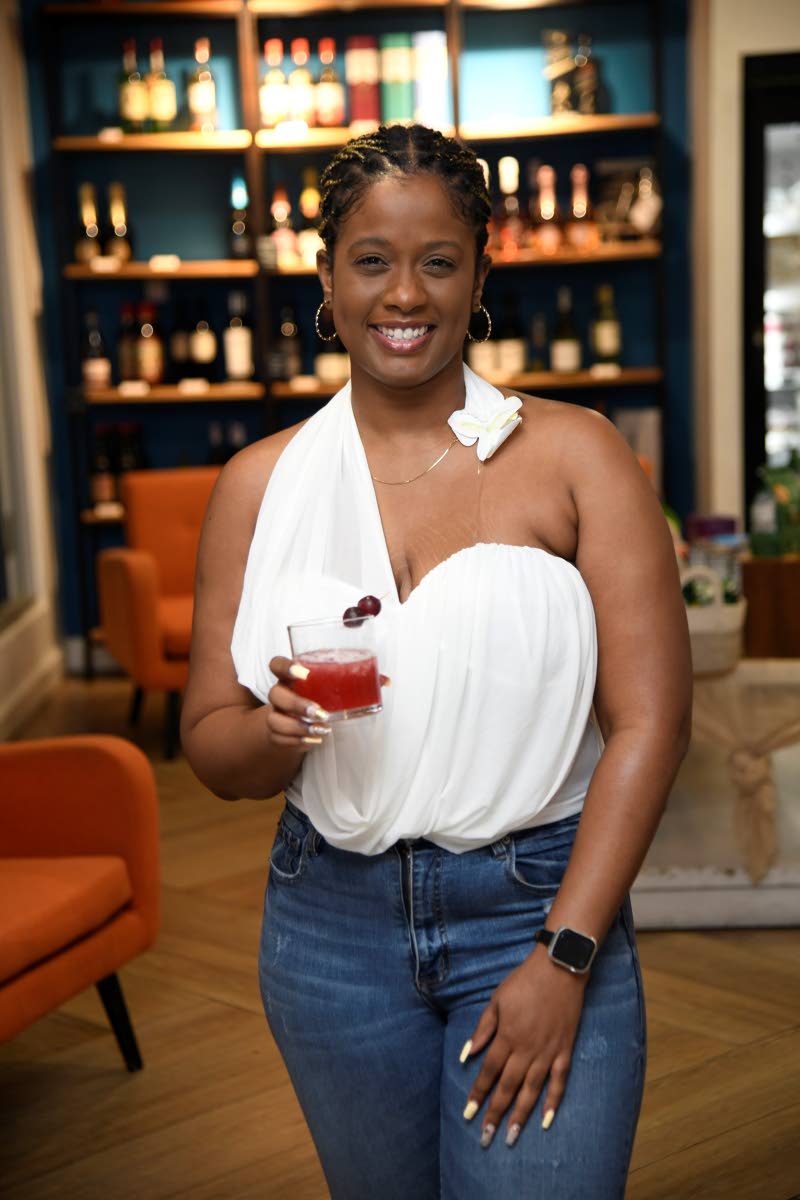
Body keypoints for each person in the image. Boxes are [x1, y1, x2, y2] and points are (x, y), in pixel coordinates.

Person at [181, 124, 693, 1199]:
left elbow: (651, 724)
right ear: (327, 278)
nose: (401, 294)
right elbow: (211, 748)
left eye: (436, 260)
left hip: (535, 906)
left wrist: (564, 954)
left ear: (478, 273)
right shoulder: (258, 484)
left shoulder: (574, 454)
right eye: (370, 260)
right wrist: (272, 734)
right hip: (326, 925)